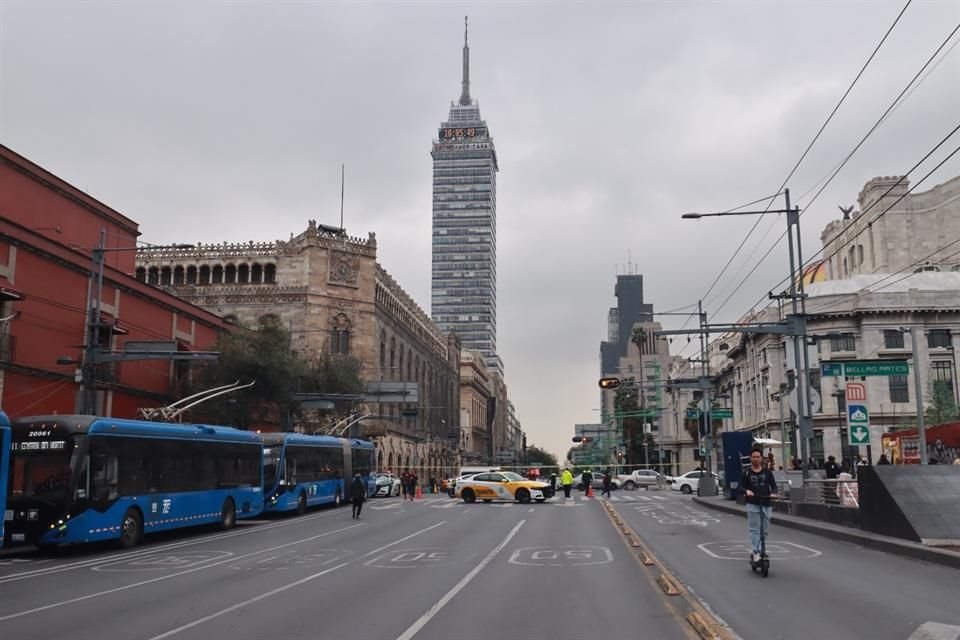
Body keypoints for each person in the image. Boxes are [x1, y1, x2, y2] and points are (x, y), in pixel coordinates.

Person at [739, 447, 777, 565]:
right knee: (755, 529)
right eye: (754, 457)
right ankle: (756, 551)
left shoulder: (767, 472)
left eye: (758, 457)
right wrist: (747, 492)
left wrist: (773, 493)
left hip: (766, 502)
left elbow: (774, 486)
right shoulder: (746, 472)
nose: (756, 459)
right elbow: (740, 487)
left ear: (761, 458)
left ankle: (762, 549)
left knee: (764, 530)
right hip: (752, 503)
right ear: (750, 458)